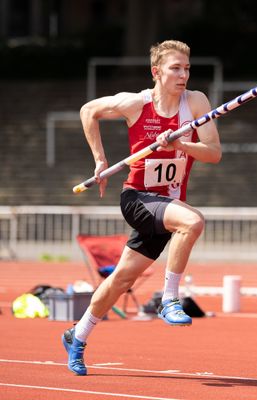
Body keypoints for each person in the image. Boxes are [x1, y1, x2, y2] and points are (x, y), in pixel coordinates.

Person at [62, 40, 222, 376]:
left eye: (187, 68)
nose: (183, 75)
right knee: (192, 222)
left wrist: (181, 142)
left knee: (120, 280)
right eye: (175, 68)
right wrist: (100, 159)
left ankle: (77, 336)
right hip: (137, 198)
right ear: (156, 72)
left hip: (167, 206)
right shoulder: (137, 103)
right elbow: (88, 110)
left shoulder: (196, 102)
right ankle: (169, 299)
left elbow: (213, 153)